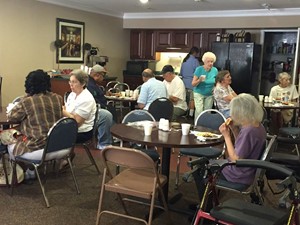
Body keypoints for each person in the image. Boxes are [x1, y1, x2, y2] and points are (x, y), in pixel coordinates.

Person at [7, 69, 63, 179]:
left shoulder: (27, 101)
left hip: (38, 146)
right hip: (57, 145)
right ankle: (31, 169)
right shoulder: (58, 98)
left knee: (8, 141)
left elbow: (11, 117)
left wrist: (26, 97)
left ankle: (22, 173)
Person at [218, 93, 266, 186]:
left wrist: (226, 136)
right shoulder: (258, 126)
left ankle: (207, 199)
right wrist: (235, 130)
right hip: (250, 170)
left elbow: (235, 159)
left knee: (202, 168)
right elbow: (243, 148)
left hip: (239, 174)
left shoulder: (248, 131)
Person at [63, 69, 96, 144]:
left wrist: (63, 111)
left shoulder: (87, 99)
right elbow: (67, 110)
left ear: (83, 84)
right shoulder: (72, 94)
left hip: (82, 132)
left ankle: (61, 154)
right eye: (70, 81)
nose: (71, 84)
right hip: (69, 126)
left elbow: (77, 122)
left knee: (52, 136)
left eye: (74, 82)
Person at [87, 64, 114, 149]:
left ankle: (113, 134)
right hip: (96, 111)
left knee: (111, 110)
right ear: (97, 75)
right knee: (107, 114)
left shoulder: (92, 83)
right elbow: (94, 100)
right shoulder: (89, 85)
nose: (104, 78)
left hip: (100, 108)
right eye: (103, 75)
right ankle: (104, 143)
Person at [192, 51, 218, 122]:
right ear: (204, 62)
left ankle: (205, 128)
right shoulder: (199, 69)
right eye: (208, 61)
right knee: (199, 111)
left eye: (212, 62)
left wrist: (215, 88)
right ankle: (197, 127)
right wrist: (199, 80)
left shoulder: (215, 70)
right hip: (199, 93)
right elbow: (193, 84)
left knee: (207, 113)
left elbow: (217, 82)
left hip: (209, 94)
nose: (210, 63)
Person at [180, 46, 200, 117]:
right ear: (195, 53)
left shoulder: (185, 60)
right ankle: (191, 115)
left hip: (184, 83)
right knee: (192, 99)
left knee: (186, 99)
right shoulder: (195, 61)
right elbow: (198, 73)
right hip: (192, 83)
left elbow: (181, 73)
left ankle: (185, 113)